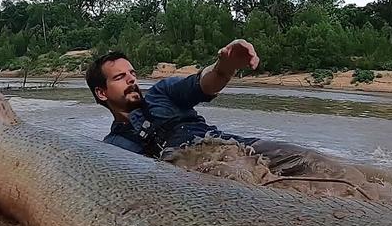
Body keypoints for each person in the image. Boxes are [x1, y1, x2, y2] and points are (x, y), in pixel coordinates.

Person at [84, 39, 376, 184]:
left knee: (314, 161)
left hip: (236, 147)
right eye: (120, 77)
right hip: (201, 172)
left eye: (132, 73)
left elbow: (204, 83)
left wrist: (226, 66)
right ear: (101, 92)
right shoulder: (114, 148)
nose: (132, 78)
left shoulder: (163, 93)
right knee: (248, 182)